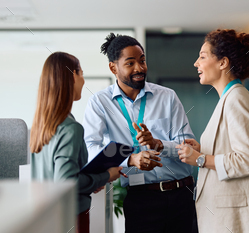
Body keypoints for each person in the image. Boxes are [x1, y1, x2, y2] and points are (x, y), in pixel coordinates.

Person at [82, 33, 196, 233]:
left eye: (142, 61)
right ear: (113, 67)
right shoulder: (100, 102)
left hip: (181, 196)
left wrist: (158, 144)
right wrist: (130, 159)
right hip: (140, 199)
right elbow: (91, 148)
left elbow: (188, 145)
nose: (140, 68)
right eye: (130, 63)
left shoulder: (167, 97)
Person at [177, 29, 249, 233]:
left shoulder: (236, 99)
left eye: (202, 56)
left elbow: (248, 160)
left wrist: (200, 158)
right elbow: (232, 148)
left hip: (233, 218)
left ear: (223, 63)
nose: (196, 63)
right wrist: (203, 149)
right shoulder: (229, 99)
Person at [30, 52, 123, 233]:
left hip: (45, 217)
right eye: (81, 74)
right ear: (73, 75)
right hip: (69, 217)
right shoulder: (71, 128)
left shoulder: (40, 127)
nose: (83, 81)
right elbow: (66, 182)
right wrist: (106, 176)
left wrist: (92, 181)